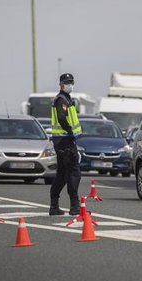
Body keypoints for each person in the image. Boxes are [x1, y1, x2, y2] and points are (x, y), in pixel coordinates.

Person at [49, 73, 83, 216]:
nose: (70, 84)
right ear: (61, 85)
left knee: (62, 174)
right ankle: (75, 207)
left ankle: (54, 206)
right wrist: (70, 131)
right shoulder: (61, 99)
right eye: (67, 82)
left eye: (71, 82)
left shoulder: (66, 99)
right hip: (65, 141)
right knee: (74, 173)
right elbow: (62, 118)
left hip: (63, 141)